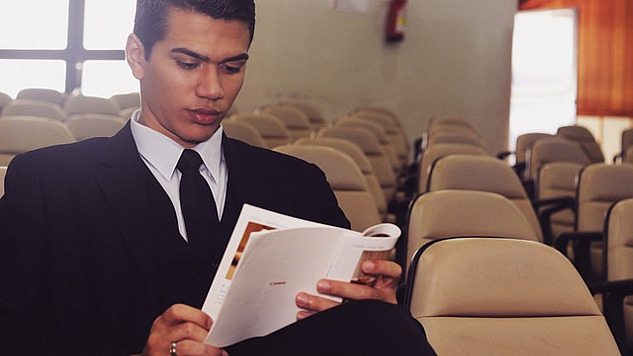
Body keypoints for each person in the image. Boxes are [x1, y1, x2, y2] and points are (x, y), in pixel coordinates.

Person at [0, 0, 436, 355]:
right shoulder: (46, 184)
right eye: (188, 64)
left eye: (232, 67)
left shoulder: (297, 185)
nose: (213, 89)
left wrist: (373, 307)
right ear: (137, 56)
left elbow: (336, 334)